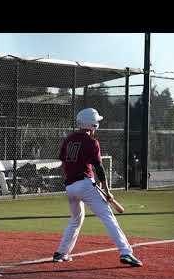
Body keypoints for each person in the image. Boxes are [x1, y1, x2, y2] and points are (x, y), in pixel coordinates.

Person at [52, 108, 142, 267]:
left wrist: (70, 183)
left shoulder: (68, 139)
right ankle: (126, 252)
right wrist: (107, 190)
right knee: (108, 217)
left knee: (76, 219)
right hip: (86, 184)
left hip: (70, 187)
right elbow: (99, 168)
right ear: (92, 124)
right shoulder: (91, 142)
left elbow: (63, 164)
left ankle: (61, 253)